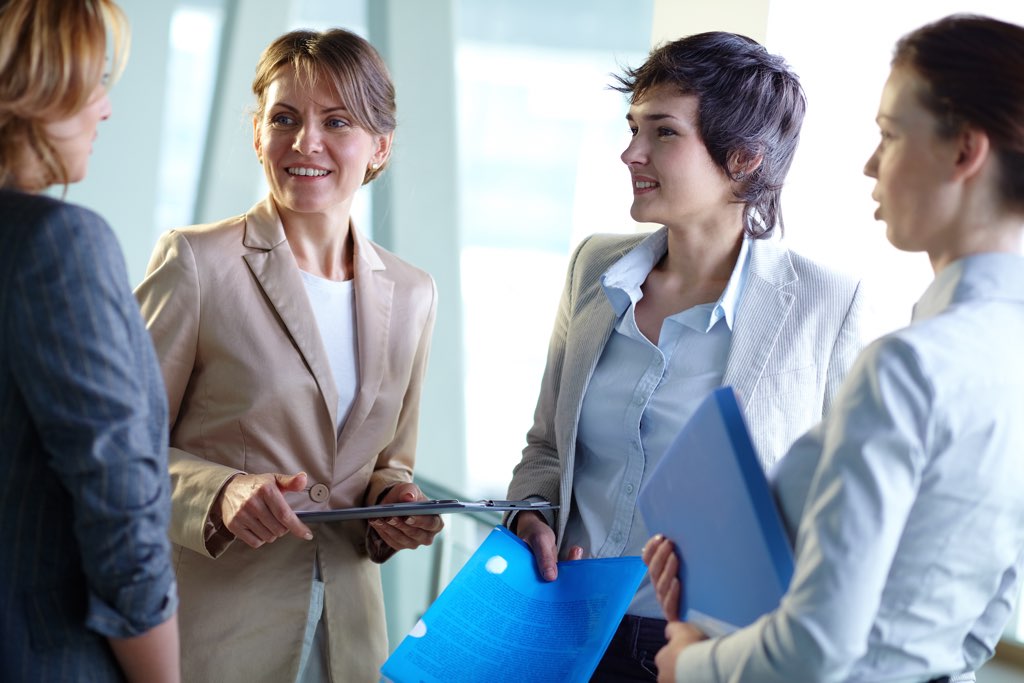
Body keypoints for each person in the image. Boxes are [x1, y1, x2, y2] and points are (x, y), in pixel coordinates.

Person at [643, 13, 1024, 683]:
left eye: (889, 134)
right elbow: (985, 618)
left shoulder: (909, 367)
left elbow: (818, 646)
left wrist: (693, 662)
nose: (871, 163)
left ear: (966, 151)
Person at [504, 31, 864, 681]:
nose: (630, 152)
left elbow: (843, 513)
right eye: (633, 127)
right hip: (559, 625)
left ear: (745, 159)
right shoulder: (595, 268)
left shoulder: (824, 304)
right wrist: (530, 513)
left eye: (663, 133)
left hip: (702, 650)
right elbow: (546, 448)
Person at [134, 28, 441, 683]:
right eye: (284, 118)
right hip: (213, 639)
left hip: (351, 644)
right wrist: (220, 491)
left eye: (336, 121)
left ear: (380, 147)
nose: (307, 142)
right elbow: (117, 451)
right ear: (256, 133)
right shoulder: (196, 263)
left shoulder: (414, 293)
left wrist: (397, 502)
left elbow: (389, 461)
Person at [0, 1, 180, 681]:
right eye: (94, 81)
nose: (105, 108)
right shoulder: (57, 243)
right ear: (35, 84)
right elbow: (120, 512)